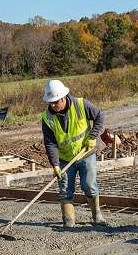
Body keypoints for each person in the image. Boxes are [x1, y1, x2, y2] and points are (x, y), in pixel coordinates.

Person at [41, 80, 106, 228]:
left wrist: (92, 137)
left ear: (63, 98)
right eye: (50, 102)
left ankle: (96, 215)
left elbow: (100, 117)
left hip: (85, 154)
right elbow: (50, 143)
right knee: (65, 190)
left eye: (55, 102)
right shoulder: (47, 117)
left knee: (89, 185)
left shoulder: (81, 104)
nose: (52, 105)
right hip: (64, 159)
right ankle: (68, 221)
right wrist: (55, 165)